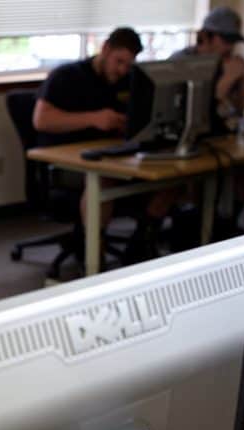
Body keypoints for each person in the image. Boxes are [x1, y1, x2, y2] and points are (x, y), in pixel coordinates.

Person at [33, 26, 174, 263]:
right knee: (104, 180)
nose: (122, 70)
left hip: (111, 155)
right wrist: (94, 118)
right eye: (118, 61)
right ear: (105, 49)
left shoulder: (128, 81)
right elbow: (41, 120)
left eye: (128, 64)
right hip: (65, 162)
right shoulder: (67, 76)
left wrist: (128, 125)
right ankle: (92, 257)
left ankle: (141, 244)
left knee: (168, 177)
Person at [172, 6, 244, 119]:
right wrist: (228, 80)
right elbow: (196, 115)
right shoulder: (180, 63)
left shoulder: (225, 64)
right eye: (226, 40)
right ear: (205, 36)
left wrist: (242, 79)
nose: (230, 47)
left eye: (233, 41)